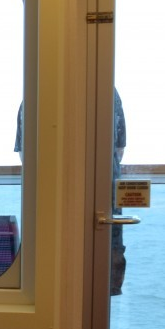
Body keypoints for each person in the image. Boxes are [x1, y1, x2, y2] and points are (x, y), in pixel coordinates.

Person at [14, 90, 128, 294]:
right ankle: (98, 299)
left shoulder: (36, 93)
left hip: (51, 193)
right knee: (104, 256)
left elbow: (26, 155)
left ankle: (56, 297)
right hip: (103, 194)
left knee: (53, 255)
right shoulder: (107, 92)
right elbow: (119, 150)